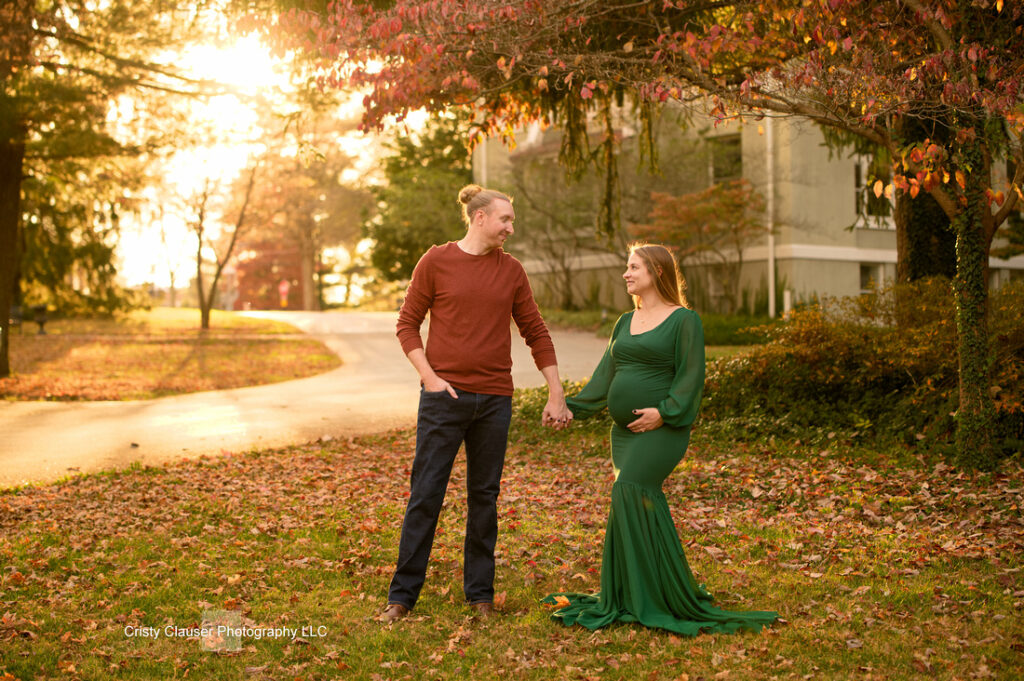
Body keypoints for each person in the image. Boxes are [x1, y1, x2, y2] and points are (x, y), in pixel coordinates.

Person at [542, 243, 778, 636]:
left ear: (657, 272)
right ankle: (634, 592)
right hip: (624, 434)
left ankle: (657, 595)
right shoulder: (623, 321)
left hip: (664, 430)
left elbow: (691, 378)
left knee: (631, 489)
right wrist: (570, 408)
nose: (626, 274)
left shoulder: (684, 320)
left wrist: (664, 412)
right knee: (633, 500)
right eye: (627, 267)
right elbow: (604, 377)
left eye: (633, 267)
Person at [379, 184, 573, 624]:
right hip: (442, 399)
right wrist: (429, 378)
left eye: (513, 221)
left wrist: (555, 391)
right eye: (505, 219)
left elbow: (535, 331)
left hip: (494, 401)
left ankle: (480, 595)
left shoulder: (512, 271)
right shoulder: (436, 261)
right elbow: (407, 324)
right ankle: (403, 596)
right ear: (480, 218)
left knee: (484, 497)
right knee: (426, 495)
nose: (510, 227)